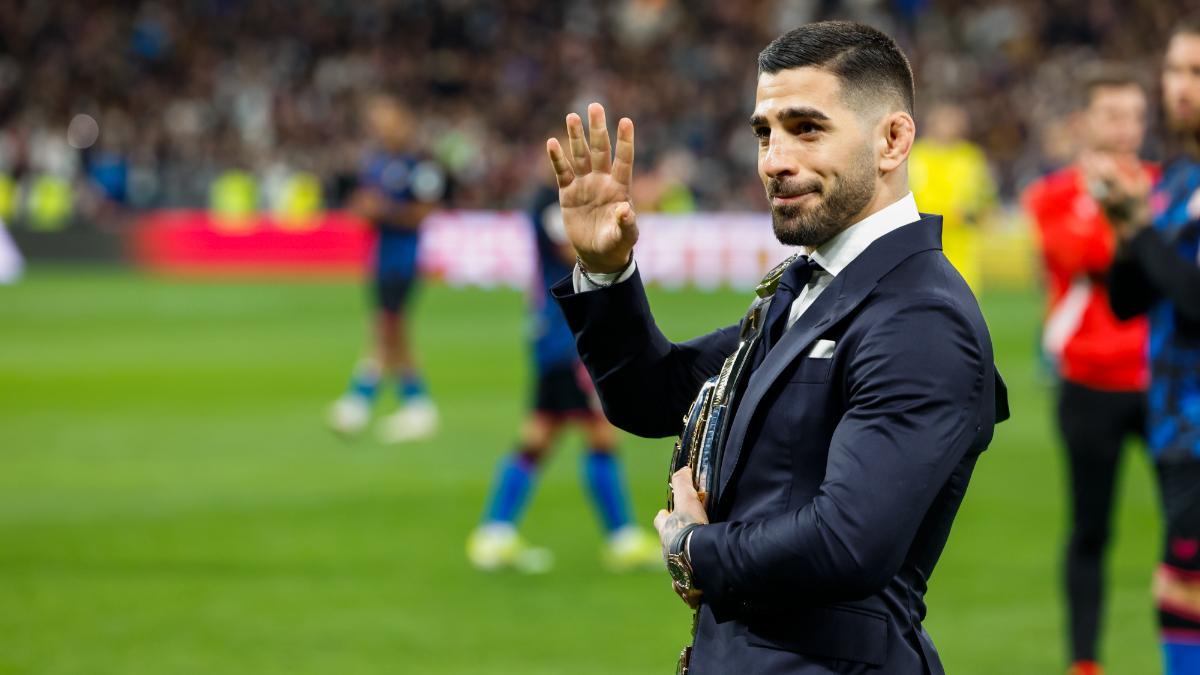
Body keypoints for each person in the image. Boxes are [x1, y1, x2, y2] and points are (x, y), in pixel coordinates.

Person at [545, 21, 1007, 674]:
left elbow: (849, 542)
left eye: (806, 128)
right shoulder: (808, 285)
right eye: (765, 132)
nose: (774, 160)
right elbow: (655, 396)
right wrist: (607, 271)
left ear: (893, 139)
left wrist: (694, 549)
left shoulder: (921, 316)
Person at [465, 170, 660, 574]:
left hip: (560, 335)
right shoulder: (550, 201)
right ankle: (620, 538)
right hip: (566, 338)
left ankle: (494, 533)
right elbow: (575, 247)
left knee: (541, 434)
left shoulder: (550, 199)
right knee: (598, 433)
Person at [1023, 66, 1153, 675]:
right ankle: (1085, 663)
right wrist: (1132, 218)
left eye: (1134, 115)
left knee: (1189, 528)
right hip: (1090, 382)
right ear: (1087, 122)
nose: (1125, 128)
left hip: (1164, 382)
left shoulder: (1168, 185)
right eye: (1112, 115)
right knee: (1090, 530)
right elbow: (1081, 255)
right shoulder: (1052, 195)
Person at [1091, 19, 1200, 675]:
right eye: (1174, 71)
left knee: (1182, 585)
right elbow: (1130, 300)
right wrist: (1126, 228)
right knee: (1184, 588)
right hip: (1174, 421)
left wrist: (1141, 230)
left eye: (1195, 73)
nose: (1179, 87)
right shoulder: (1175, 176)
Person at [328, 94, 443, 443]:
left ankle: (362, 400)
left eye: (387, 120)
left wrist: (384, 212)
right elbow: (365, 207)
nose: (381, 128)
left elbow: (424, 213)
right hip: (380, 256)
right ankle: (414, 405)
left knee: (387, 326)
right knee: (392, 328)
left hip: (404, 259)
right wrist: (364, 211)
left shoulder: (420, 166)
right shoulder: (375, 164)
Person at [908, 100, 997, 292]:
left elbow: (985, 197)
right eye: (946, 121)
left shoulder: (971, 157)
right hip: (924, 239)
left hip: (961, 243)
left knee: (963, 297)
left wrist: (977, 214)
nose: (952, 126)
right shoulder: (915, 155)